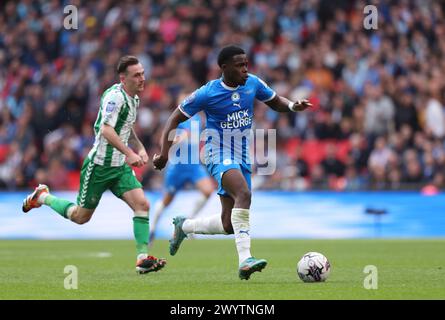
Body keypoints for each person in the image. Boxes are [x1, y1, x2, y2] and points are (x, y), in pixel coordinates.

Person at [153, 45, 311, 280]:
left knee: (228, 224)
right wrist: (164, 154)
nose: (245, 69)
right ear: (224, 68)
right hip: (216, 150)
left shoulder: (252, 83)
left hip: (242, 155)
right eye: (239, 65)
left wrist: (291, 106)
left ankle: (184, 226)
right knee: (244, 194)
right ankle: (245, 259)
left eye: (246, 64)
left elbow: (276, 101)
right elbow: (174, 118)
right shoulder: (207, 93)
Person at [22, 56, 166, 275]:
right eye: (136, 75)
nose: (142, 78)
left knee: (142, 205)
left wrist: (141, 147)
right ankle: (42, 196)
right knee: (80, 217)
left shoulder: (133, 99)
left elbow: (126, 127)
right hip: (99, 166)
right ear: (123, 78)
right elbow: (106, 130)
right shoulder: (115, 97)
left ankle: (142, 258)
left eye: (143, 73)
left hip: (119, 167)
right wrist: (128, 153)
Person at [149, 106, 215, 245]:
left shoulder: (197, 119)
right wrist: (172, 142)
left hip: (194, 165)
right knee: (166, 201)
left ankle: (188, 223)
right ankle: (152, 229)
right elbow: (169, 137)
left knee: (208, 191)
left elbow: (194, 137)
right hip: (177, 167)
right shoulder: (178, 119)